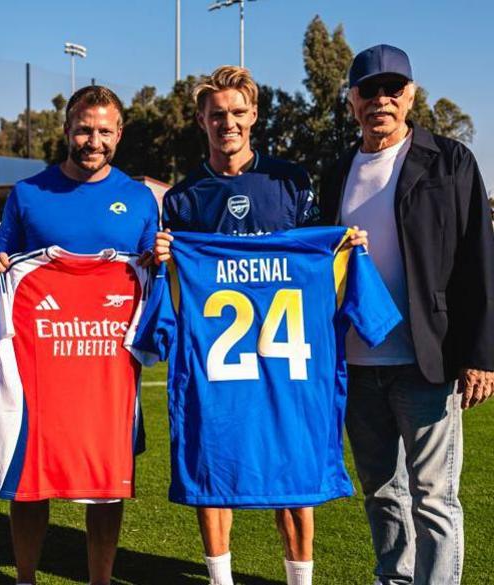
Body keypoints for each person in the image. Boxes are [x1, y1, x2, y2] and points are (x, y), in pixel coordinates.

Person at [153, 65, 367, 585]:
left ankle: (300, 581)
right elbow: (178, 283)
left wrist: (343, 248)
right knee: (213, 466)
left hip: (286, 359)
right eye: (216, 114)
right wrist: (163, 256)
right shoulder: (183, 198)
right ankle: (220, 579)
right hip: (218, 364)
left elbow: (313, 257)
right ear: (201, 121)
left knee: (292, 473)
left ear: (253, 116)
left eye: (237, 112)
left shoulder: (289, 181)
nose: (227, 123)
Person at [319, 44, 494, 585]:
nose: (381, 99)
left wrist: (482, 355)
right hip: (357, 363)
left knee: (434, 498)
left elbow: (479, 260)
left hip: (428, 358)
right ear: (352, 100)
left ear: (410, 95)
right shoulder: (336, 171)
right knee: (381, 493)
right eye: (368, 90)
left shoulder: (450, 161)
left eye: (392, 88)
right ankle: (394, 578)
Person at [0, 85, 159, 585]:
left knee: (105, 483)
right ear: (66, 130)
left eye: (104, 131)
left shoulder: (138, 199)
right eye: (84, 130)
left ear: (119, 134)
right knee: (29, 479)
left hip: (107, 368)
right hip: (42, 367)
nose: (93, 141)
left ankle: (100, 580)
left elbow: (152, 274)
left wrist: (159, 260)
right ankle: (25, 579)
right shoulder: (28, 194)